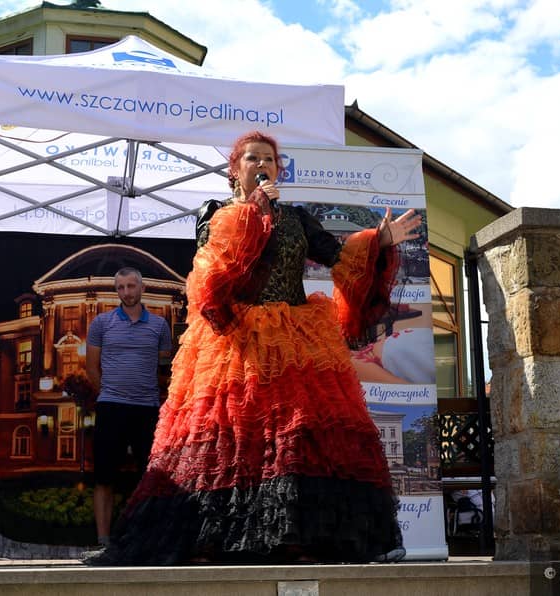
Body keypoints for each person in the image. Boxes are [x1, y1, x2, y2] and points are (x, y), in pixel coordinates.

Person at [84, 131, 422, 565]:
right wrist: (253, 211)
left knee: (295, 437)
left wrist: (379, 240)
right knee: (226, 438)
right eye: (252, 158)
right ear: (234, 170)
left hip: (295, 343)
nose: (262, 164)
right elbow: (211, 271)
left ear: (279, 169)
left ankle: (298, 539)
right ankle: (211, 541)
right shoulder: (215, 212)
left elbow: (339, 258)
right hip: (236, 344)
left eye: (269, 159)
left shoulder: (297, 218)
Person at [85, 266, 172, 549]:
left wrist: (150, 391)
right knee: (104, 476)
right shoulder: (101, 323)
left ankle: (147, 539)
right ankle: (103, 541)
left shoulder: (160, 326)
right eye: (121, 287)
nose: (126, 292)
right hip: (111, 408)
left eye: (131, 286)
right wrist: (109, 393)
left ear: (142, 288)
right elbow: (91, 367)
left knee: (149, 476)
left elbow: (164, 370)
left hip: (147, 410)